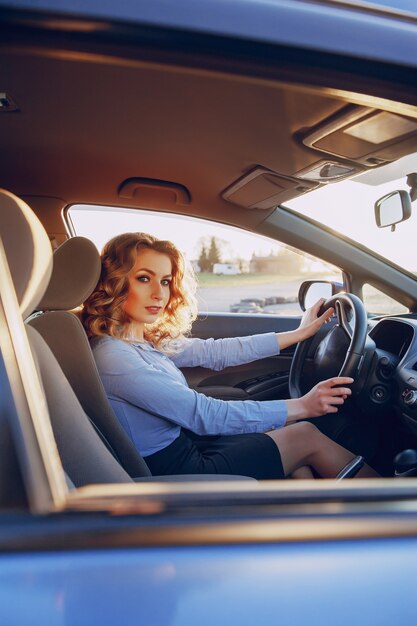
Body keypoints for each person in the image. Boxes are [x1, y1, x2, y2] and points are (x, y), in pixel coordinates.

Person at [81, 232, 378, 480]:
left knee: (287, 430)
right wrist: (303, 406)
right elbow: (203, 414)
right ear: (116, 282)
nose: (160, 293)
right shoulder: (116, 357)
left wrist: (299, 334)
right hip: (179, 470)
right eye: (144, 278)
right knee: (306, 436)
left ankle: (317, 525)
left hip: (188, 445)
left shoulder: (141, 340)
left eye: (166, 281)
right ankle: (395, 510)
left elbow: (216, 351)